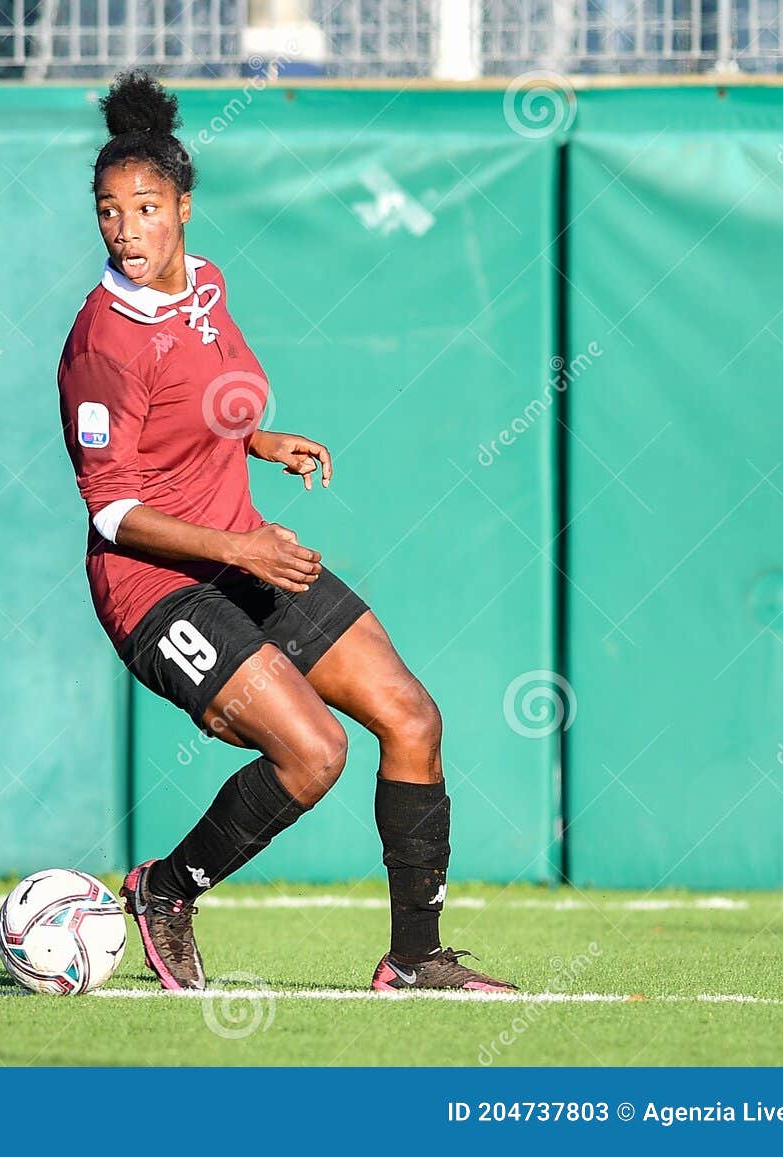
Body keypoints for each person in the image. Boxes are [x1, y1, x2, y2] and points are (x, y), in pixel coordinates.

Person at [55, 69, 516, 993]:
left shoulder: (207, 288)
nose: (125, 227)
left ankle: (415, 957)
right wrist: (238, 547)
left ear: (184, 207)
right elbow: (110, 507)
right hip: (157, 584)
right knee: (313, 752)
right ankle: (166, 891)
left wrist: (255, 439)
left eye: (146, 207)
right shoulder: (102, 343)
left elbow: (188, 413)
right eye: (109, 210)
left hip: (241, 546)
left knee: (412, 717)